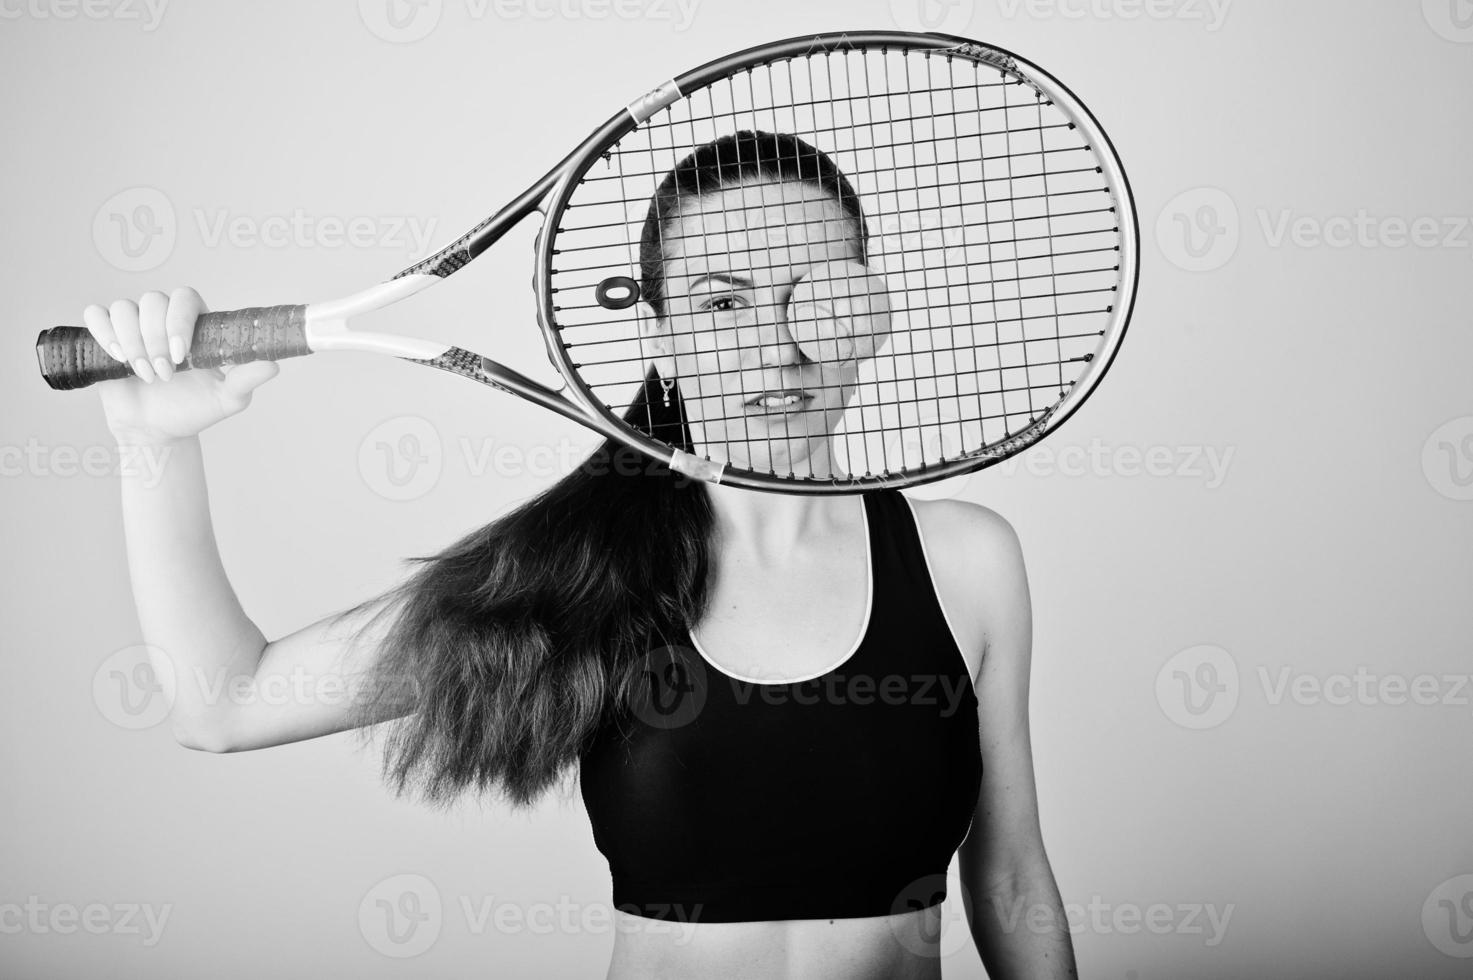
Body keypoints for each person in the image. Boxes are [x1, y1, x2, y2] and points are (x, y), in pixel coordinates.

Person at [82, 130, 1075, 979]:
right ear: (662, 336)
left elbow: (1012, 873)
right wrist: (153, 441)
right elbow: (224, 700)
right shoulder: (581, 566)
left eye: (816, 296)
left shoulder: (967, 560)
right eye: (723, 303)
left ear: (871, 310)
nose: (779, 346)